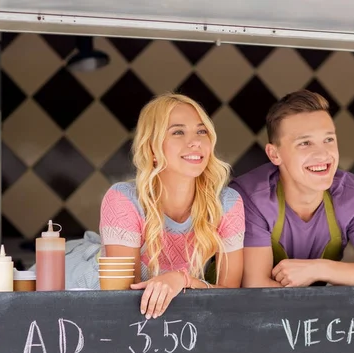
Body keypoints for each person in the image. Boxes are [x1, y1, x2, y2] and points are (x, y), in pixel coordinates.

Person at [229, 89, 354, 288]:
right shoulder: (251, 198)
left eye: (328, 140)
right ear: (274, 154)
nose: (322, 153)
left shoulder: (352, 196)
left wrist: (318, 269)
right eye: (305, 143)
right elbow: (256, 286)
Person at [99, 93, 245, 319]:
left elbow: (230, 296)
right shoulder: (124, 200)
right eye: (178, 132)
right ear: (153, 149)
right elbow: (124, 300)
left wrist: (182, 279)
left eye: (201, 131)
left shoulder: (227, 203)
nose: (195, 141)